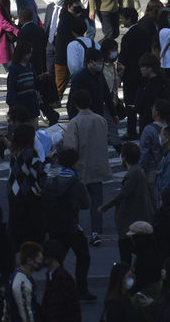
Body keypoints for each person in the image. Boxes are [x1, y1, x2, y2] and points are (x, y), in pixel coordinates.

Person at [41, 148, 94, 301]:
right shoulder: (76, 183)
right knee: (83, 256)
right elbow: (86, 203)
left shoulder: (53, 180)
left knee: (57, 258)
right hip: (71, 225)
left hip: (54, 225)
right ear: (75, 163)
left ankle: (55, 287)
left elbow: (42, 185)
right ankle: (81, 289)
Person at [63, 89, 111, 247]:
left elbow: (70, 148)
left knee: (75, 201)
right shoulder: (100, 120)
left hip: (80, 168)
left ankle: (75, 229)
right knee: (97, 201)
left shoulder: (74, 123)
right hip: (97, 165)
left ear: (75, 104)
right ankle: (96, 232)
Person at [7, 125, 46, 249]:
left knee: (16, 222)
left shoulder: (14, 152)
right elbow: (40, 174)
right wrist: (50, 160)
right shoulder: (30, 153)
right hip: (28, 193)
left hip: (13, 191)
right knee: (33, 226)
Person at [7, 241, 43, 322]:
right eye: (39, 259)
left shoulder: (19, 275)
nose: (41, 262)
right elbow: (27, 316)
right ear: (29, 261)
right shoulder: (22, 284)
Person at [17, 7, 46, 78]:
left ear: (22, 18)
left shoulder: (22, 32)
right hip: (39, 61)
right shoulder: (39, 29)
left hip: (27, 62)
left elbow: (20, 49)